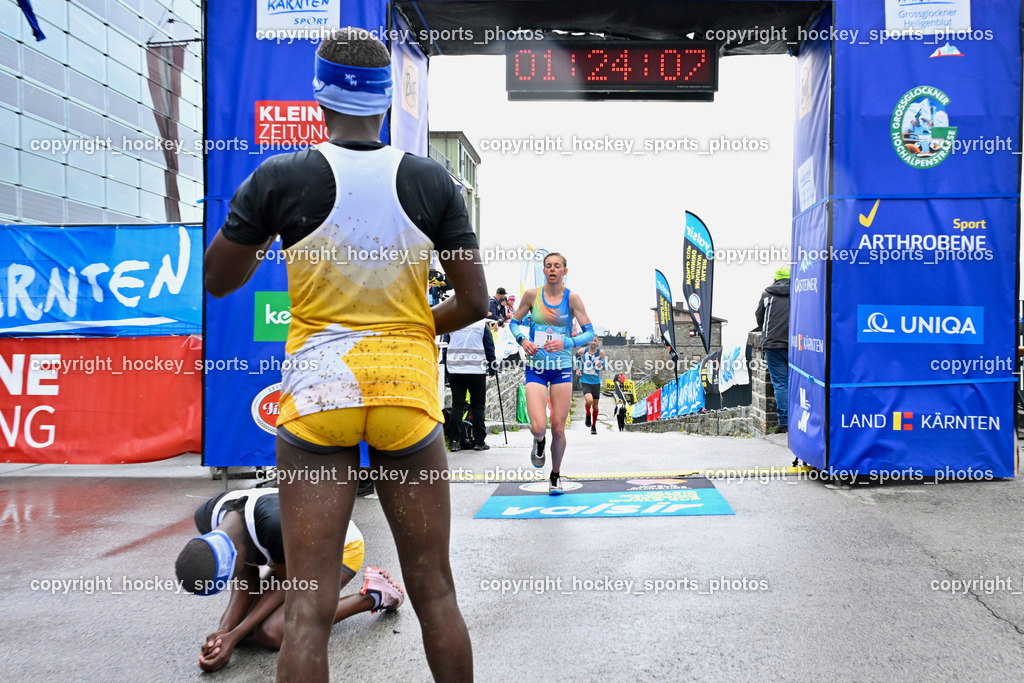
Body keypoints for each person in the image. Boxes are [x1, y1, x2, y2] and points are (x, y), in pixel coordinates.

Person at [203, 27, 483, 682]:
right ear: (385, 101)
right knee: (435, 590)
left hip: (318, 397)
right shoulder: (431, 180)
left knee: (307, 607)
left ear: (320, 98)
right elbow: (472, 300)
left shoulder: (282, 176)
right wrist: (414, 326)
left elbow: (219, 278)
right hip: (403, 395)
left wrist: (259, 218)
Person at [175, 487, 403, 672]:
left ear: (236, 554)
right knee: (245, 630)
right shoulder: (207, 517)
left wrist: (234, 635)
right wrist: (223, 632)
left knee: (271, 633)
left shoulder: (275, 525)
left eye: (230, 577)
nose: (235, 581)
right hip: (288, 556)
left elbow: (290, 584)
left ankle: (375, 595)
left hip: (337, 550)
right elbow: (247, 578)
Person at [509, 252, 595, 495]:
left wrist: (567, 342)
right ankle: (538, 441)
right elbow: (513, 323)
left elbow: (590, 333)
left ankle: (555, 475)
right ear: (544, 271)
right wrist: (522, 340)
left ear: (565, 271)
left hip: (561, 371)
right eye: (548, 266)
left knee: (558, 427)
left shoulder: (572, 299)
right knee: (538, 427)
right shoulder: (532, 296)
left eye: (558, 266)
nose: (553, 270)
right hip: (536, 368)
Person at [442, 318, 496, 451]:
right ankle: (479, 441)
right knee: (478, 406)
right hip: (476, 371)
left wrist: (447, 371)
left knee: (457, 406)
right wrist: (492, 367)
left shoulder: (451, 324)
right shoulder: (482, 326)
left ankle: (455, 441)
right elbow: (489, 347)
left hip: (455, 370)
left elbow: (444, 348)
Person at [755, 266, 791, 434]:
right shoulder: (802, 291)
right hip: (799, 344)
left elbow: (759, 318)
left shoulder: (767, 294)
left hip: (773, 343)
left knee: (781, 384)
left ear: (775, 278)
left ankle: (784, 422)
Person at [575, 339, 606, 435]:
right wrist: (577, 368)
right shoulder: (583, 351)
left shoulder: (601, 352)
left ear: (598, 342)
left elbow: (605, 365)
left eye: (595, 341)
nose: (593, 342)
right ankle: (588, 414)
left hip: (596, 382)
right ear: (589, 342)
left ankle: (593, 425)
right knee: (589, 401)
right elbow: (575, 357)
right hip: (585, 381)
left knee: (595, 405)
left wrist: (602, 364)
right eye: (592, 341)